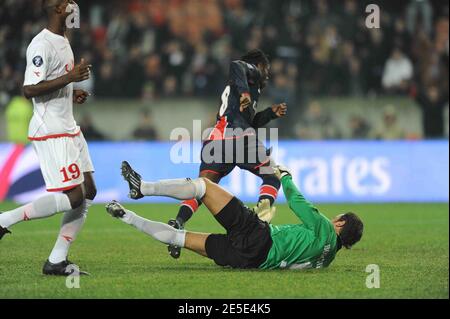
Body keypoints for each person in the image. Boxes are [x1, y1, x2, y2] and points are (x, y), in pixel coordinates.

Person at [125, 49, 287, 260]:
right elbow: (236, 63)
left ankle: (177, 221)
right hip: (237, 137)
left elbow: (251, 121)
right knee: (272, 175)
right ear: (258, 65)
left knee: (202, 188)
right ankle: (260, 216)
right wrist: (246, 92)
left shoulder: (246, 89)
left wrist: (270, 114)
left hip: (216, 140)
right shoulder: (251, 73)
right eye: (267, 69)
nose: (268, 74)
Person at [108, 162, 363, 270]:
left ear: (339, 223)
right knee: (179, 238)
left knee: (204, 186)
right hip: (251, 261)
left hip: (258, 237)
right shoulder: (326, 259)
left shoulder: (324, 228)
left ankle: (144, 188)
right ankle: (126, 216)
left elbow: (297, 203)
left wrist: (284, 175)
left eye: (335, 218)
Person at [0, 0, 96, 276]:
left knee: (88, 191)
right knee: (75, 197)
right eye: (66, 1)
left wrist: (71, 92)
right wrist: (69, 79)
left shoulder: (63, 39)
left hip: (68, 126)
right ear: (56, 8)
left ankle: (56, 260)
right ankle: (4, 219)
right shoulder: (40, 44)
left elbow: (54, 85)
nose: (72, 4)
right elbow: (29, 89)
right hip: (51, 130)